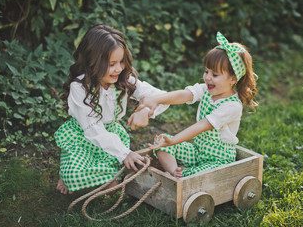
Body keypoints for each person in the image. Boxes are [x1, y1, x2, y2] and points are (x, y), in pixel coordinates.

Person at [54, 24, 168, 194]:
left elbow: (162, 97)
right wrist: (124, 153)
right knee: (74, 175)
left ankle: (106, 178)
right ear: (93, 62)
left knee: (114, 185)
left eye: (122, 62)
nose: (119, 69)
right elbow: (94, 130)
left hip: (112, 136)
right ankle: (67, 173)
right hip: (84, 137)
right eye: (112, 63)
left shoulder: (123, 79)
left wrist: (145, 109)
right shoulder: (80, 88)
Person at [137, 32, 258, 178]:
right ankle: (175, 171)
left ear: (233, 79)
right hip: (197, 151)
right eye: (206, 71)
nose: (207, 77)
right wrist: (157, 99)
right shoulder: (206, 90)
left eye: (215, 75)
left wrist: (175, 140)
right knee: (161, 141)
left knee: (194, 175)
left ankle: (182, 176)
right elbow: (184, 95)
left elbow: (202, 126)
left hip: (218, 160)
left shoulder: (232, 106)